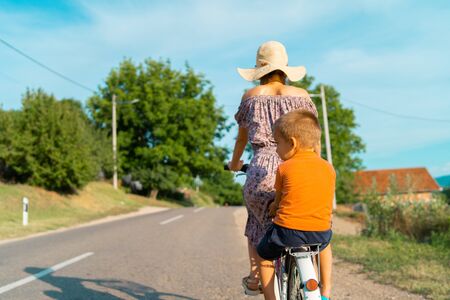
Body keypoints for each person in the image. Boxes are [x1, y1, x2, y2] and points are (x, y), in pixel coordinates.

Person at [228, 41, 318, 295]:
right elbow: (315, 139)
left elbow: (242, 140)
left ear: (260, 70)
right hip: (299, 165)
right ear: (285, 69)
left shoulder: (251, 97)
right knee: (301, 223)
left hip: (261, 168)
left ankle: (257, 279)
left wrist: (235, 164)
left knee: (258, 229)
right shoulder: (302, 96)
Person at [257, 109, 335, 300]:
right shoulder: (328, 168)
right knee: (324, 248)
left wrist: (273, 209)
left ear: (292, 143)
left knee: (262, 254)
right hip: (321, 234)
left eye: (277, 144)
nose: (276, 149)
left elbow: (280, 199)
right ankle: (325, 292)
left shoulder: (284, 168)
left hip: (288, 233)